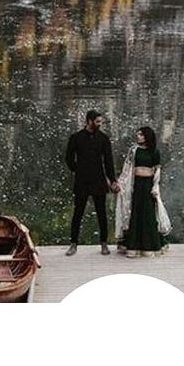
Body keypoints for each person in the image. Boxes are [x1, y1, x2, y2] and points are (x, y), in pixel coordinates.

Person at [65, 109, 119, 256]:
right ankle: (73, 244)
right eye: (97, 121)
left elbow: (108, 161)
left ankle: (104, 243)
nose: (100, 124)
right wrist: (77, 169)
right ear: (89, 121)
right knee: (78, 213)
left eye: (100, 122)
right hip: (82, 180)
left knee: (102, 213)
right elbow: (69, 158)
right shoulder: (76, 137)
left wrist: (112, 180)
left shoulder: (103, 138)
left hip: (98, 180)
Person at [115, 125, 171, 258]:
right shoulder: (133, 151)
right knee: (135, 213)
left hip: (148, 185)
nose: (138, 136)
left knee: (148, 214)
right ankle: (133, 246)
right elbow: (127, 169)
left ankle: (150, 246)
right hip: (136, 185)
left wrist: (155, 187)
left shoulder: (154, 151)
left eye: (141, 134)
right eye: (138, 134)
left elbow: (157, 171)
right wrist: (121, 183)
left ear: (147, 136)